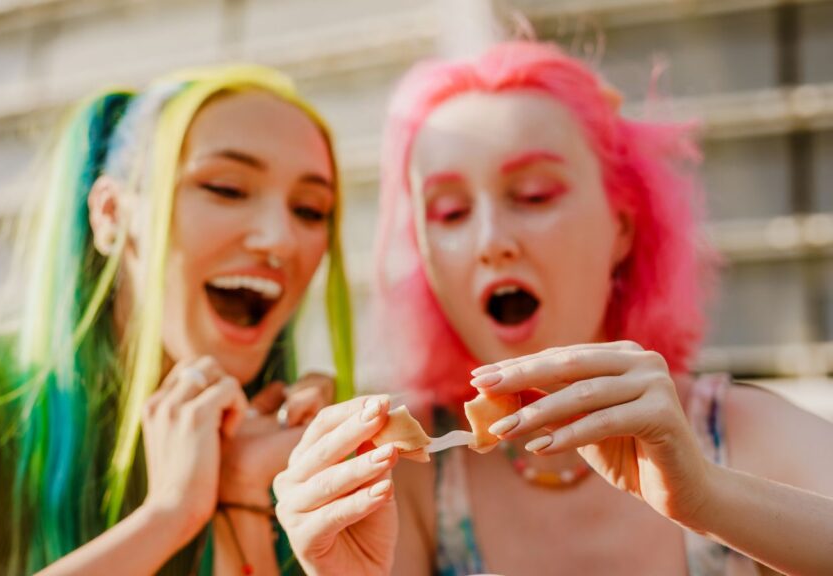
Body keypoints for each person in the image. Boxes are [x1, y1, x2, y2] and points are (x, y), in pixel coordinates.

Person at [274, 41, 833, 576]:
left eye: (534, 195)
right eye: (449, 212)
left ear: (621, 228)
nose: (491, 240)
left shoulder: (735, 433)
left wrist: (708, 495)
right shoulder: (405, 480)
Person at [0, 64, 355, 575]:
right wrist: (167, 516)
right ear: (112, 215)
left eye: (310, 210)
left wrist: (241, 496)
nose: (282, 240)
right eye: (226, 188)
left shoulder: (307, 445)